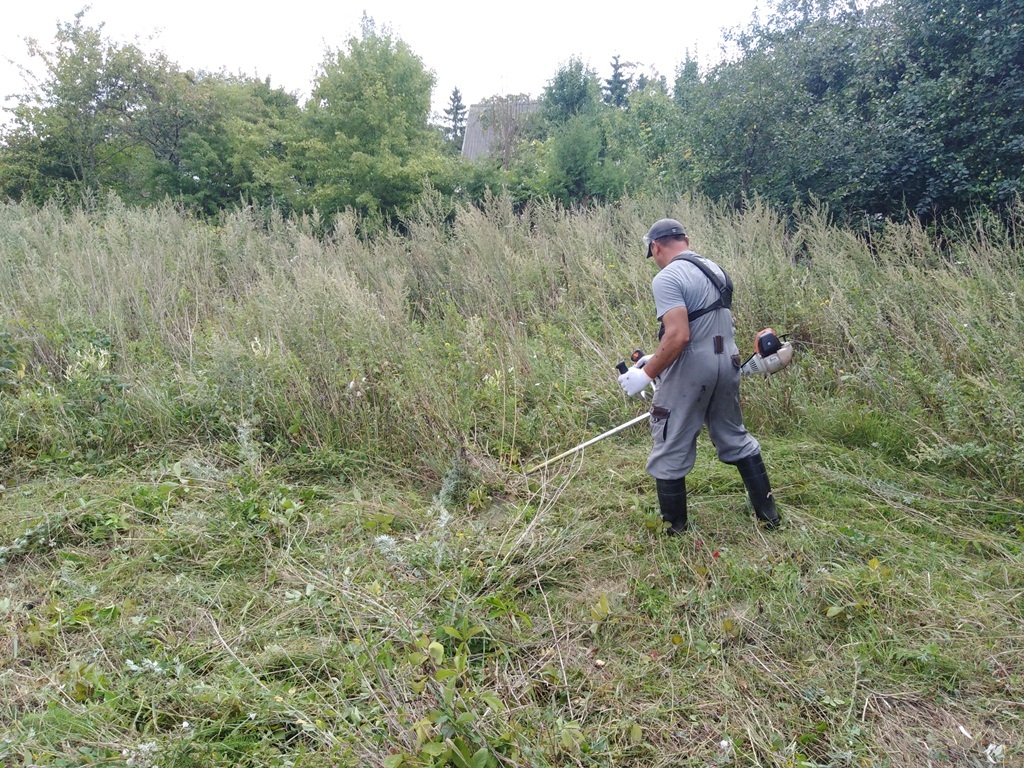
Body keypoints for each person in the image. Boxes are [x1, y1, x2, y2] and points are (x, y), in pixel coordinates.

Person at [617, 218, 780, 533]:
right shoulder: (715, 270)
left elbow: (679, 336)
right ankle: (769, 516)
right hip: (727, 362)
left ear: (655, 246)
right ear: (686, 240)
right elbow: (705, 326)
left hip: (693, 368)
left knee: (669, 438)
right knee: (735, 436)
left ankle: (675, 529)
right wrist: (657, 357)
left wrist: (646, 373)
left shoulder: (667, 277)